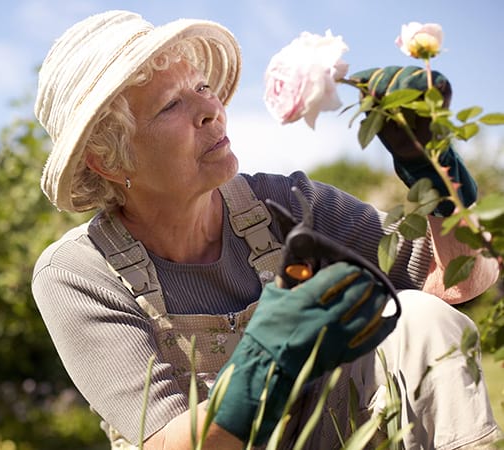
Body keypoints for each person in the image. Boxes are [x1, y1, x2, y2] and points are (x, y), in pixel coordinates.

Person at [31, 10, 501, 450]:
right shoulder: (78, 273)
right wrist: (265, 356)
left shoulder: (285, 204)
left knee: (419, 317)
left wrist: (436, 174)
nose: (210, 109)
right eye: (171, 104)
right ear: (109, 158)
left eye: (202, 85)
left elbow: (462, 280)